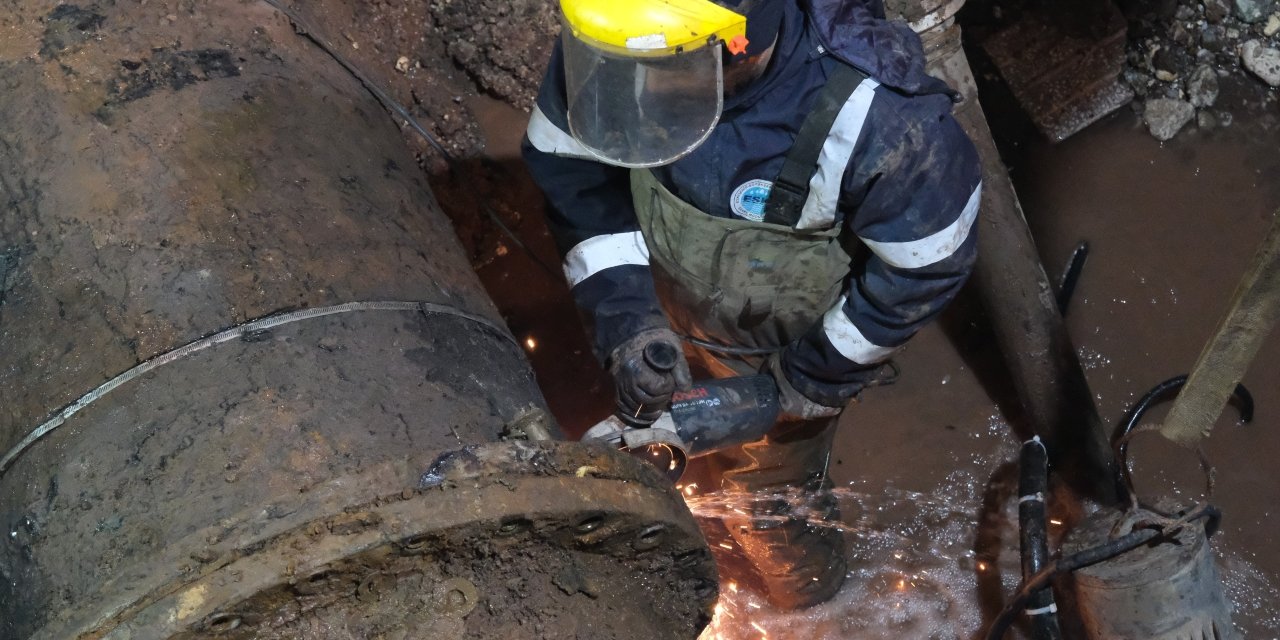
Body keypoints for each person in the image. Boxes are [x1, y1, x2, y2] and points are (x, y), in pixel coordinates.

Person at [522, 0, 981, 610]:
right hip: (666, 299)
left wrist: (808, 380)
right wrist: (629, 322)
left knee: (768, 505)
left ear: (740, 43)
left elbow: (928, 266)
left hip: (784, 347)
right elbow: (572, 175)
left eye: (667, 68)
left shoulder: (880, 121)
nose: (641, 84)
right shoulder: (622, 33)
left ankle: (814, 605)